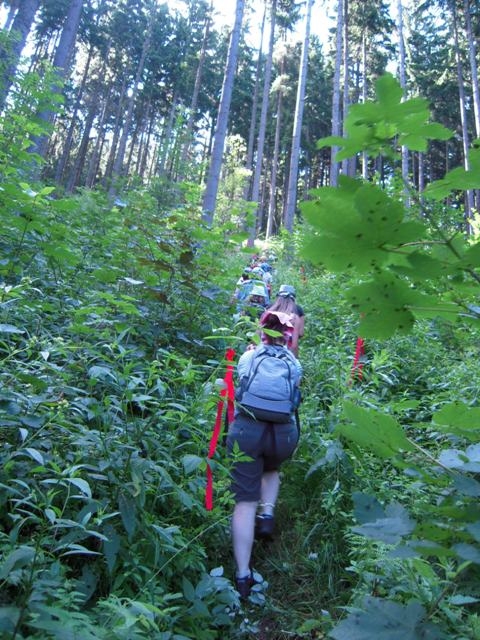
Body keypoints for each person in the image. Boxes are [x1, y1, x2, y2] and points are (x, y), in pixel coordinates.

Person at [226, 310, 303, 599]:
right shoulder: (293, 362)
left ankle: (243, 576)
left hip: (247, 432)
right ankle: (267, 514)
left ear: (262, 331)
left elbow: (240, 384)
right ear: (287, 337)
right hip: (282, 435)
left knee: (244, 503)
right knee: (271, 469)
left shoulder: (249, 357)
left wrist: (252, 350)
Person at [260, 284, 305, 356]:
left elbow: (258, 335)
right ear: (293, 299)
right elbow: (298, 338)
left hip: (264, 352)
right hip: (284, 353)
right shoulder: (295, 316)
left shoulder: (267, 311)